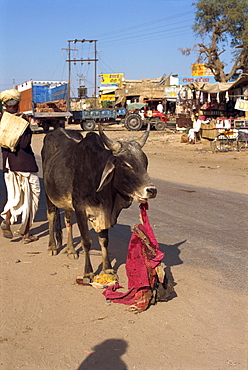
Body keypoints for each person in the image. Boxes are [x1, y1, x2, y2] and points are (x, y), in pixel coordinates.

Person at [0, 89, 40, 243]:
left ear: (4, 104)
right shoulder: (21, 121)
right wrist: (28, 125)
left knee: (14, 196)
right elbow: (24, 144)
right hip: (25, 165)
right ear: (17, 105)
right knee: (30, 199)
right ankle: (26, 233)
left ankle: (8, 220)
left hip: (8, 165)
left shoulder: (2, 120)